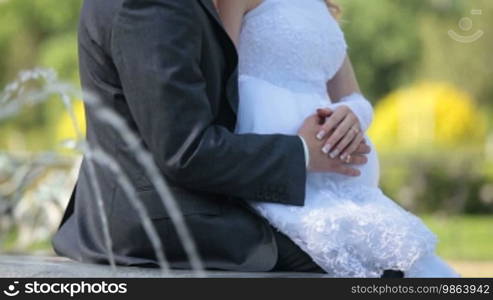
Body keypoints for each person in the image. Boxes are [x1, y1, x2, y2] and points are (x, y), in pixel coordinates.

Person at [52, 0, 371, 274]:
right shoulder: (151, 5)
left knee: (372, 248)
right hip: (156, 217)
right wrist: (302, 151)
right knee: (358, 260)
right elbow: (185, 151)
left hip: (188, 197)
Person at [216, 0, 459, 277]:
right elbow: (220, 79)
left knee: (416, 265)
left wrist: (352, 114)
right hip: (279, 173)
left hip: (337, 181)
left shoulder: (321, 6)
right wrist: (300, 148)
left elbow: (353, 96)